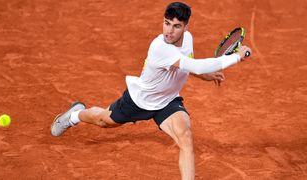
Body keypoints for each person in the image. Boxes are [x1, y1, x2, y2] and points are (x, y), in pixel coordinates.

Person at [51, 2, 252, 180]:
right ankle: (74, 115)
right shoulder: (159, 47)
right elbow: (196, 66)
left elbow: (187, 66)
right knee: (104, 120)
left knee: (186, 137)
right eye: (166, 23)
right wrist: (237, 57)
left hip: (167, 102)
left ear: (185, 27)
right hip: (140, 101)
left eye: (176, 26)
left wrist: (204, 76)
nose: (169, 31)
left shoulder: (187, 38)